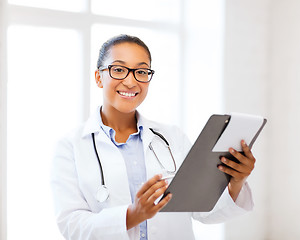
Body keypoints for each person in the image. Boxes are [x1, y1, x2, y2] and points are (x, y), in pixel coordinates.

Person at [51, 34, 255, 240]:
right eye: (119, 69)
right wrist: (132, 215)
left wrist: (235, 182)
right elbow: (72, 226)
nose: (130, 82)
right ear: (98, 77)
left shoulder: (173, 138)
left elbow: (202, 210)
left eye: (140, 71)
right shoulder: (70, 146)